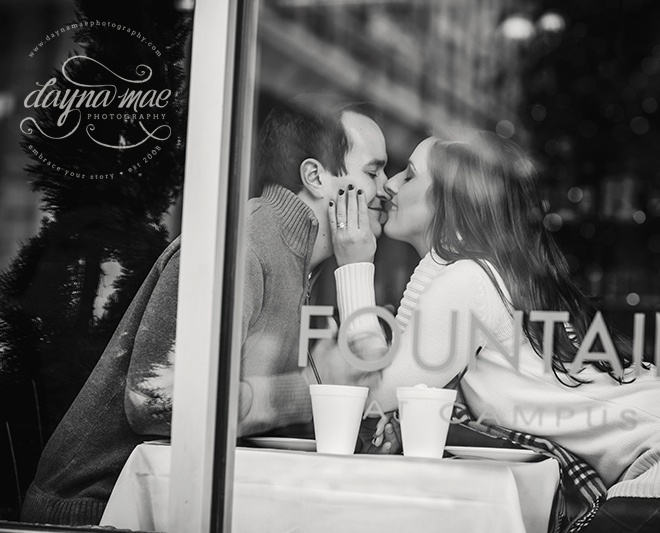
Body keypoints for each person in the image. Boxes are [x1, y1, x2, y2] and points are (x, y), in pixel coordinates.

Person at [328, 130, 660, 532]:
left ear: (451, 198)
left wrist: (353, 267)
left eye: (408, 175)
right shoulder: (493, 273)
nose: (389, 185)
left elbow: (370, 399)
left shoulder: (469, 278)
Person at [20, 94, 390, 526]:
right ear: (315, 176)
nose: (385, 189)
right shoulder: (239, 249)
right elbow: (158, 401)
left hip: (185, 504)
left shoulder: (297, 260)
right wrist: (313, 385)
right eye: (374, 171)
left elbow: (256, 410)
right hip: (97, 513)